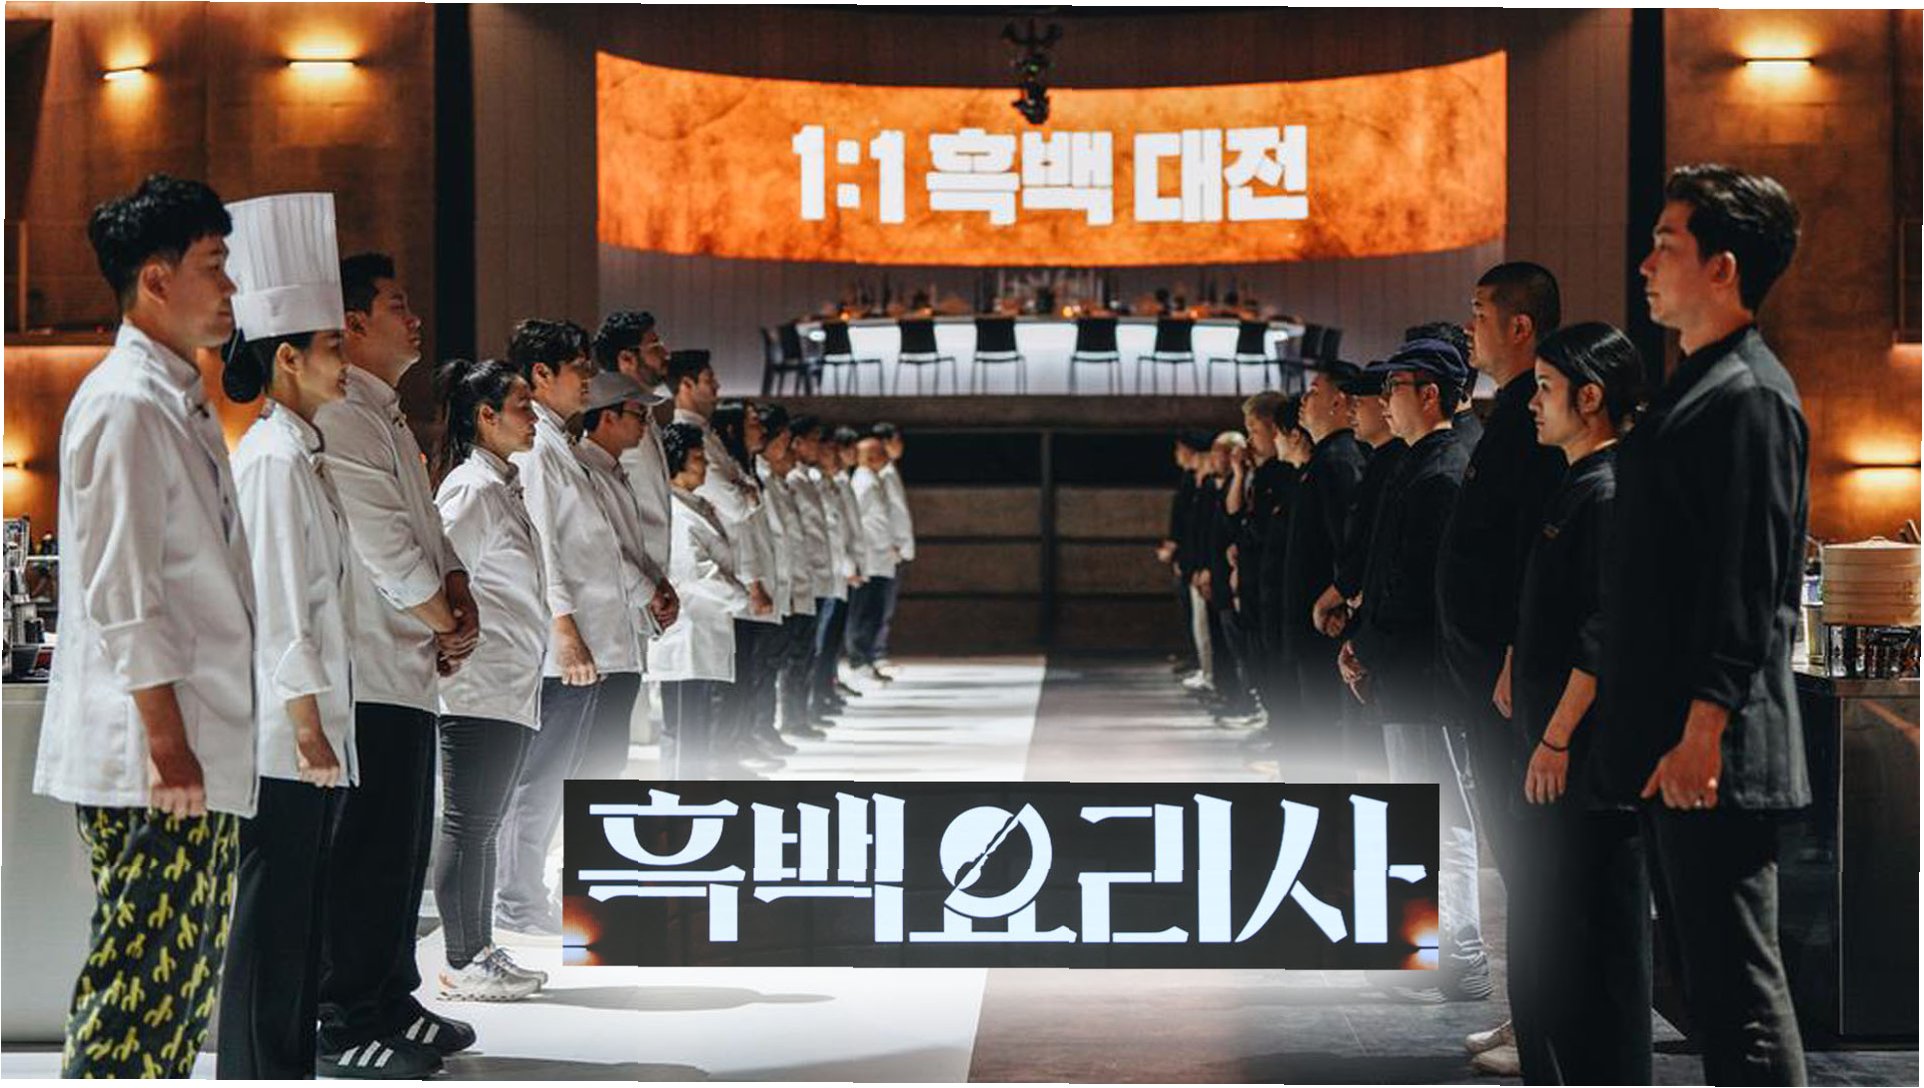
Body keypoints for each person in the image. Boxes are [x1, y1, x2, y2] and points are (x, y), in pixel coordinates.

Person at [1592, 163, 1808, 1085]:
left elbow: (1749, 583)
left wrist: (1704, 729)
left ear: (1723, 268)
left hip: (1715, 748)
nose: (1646, 265)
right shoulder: (1703, 384)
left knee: (1740, 999)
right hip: (1678, 738)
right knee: (1709, 990)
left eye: (1665, 245)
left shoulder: (1749, 394)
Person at [35, 174, 254, 1079]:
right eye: (215, 265)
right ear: (157, 279)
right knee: (139, 996)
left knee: (179, 995)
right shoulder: (125, 401)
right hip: (155, 754)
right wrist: (167, 744)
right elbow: (121, 590)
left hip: (191, 741)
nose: (230, 287)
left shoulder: (175, 396)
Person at [316, 252, 479, 1074]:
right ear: (353, 323)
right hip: (366, 669)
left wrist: (458, 590)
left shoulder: (386, 413)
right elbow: (384, 546)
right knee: (367, 856)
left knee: (399, 853)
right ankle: (343, 1018)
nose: (413, 318)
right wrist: (445, 618)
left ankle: (389, 995)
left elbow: (429, 530)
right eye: (396, 303)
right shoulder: (343, 414)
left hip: (408, 665)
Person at [216, 192, 363, 1078]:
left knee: (301, 919)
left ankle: (284, 1069)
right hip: (283, 734)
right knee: (273, 922)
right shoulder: (271, 461)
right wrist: (308, 724)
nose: (346, 361)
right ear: (288, 358)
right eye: (334, 346)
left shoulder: (302, 452)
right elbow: (279, 606)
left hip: (315, 726)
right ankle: (255, 1071)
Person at [1493, 321, 1649, 1083]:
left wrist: (1555, 738)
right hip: (1551, 745)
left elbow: (1605, 632)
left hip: (1583, 760)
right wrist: (1515, 665)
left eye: (1546, 388)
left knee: (1588, 943)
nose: (1533, 403)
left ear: (1590, 398)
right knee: (1547, 937)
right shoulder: (1578, 481)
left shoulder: (1611, 490)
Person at [1434, 262, 1567, 1065]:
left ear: (1520, 325)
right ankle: (1529, 1017)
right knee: (1513, 861)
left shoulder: (1530, 420)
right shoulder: (1508, 414)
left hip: (1510, 682)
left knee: (1526, 861)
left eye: (1480, 311)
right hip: (1486, 678)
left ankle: (1542, 1028)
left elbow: (1531, 554)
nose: (1470, 325)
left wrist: (1514, 650)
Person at [1335, 338, 1483, 1003]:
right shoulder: (1416, 463)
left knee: (1441, 816)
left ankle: (1462, 955)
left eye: (1394, 387)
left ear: (1430, 395)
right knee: (1424, 814)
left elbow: (1419, 588)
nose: (1384, 400)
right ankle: (1441, 947)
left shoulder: (1442, 471)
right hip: (1405, 671)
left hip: (1426, 677)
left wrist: (1366, 646)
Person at [498, 319, 643, 938]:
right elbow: (545, 549)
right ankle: (516, 897)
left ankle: (533, 890)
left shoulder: (559, 444)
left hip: (592, 639)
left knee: (564, 774)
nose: (589, 377)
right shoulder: (537, 449)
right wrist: (564, 628)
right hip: (566, 644)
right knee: (540, 775)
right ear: (541, 374)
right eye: (579, 367)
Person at [430, 358, 549, 1003]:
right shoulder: (472, 489)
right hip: (478, 682)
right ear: (486, 416)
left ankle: (478, 949)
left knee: (483, 822)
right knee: (469, 823)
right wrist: (449, 645)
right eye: (523, 406)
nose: (533, 418)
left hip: (507, 681)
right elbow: (443, 576)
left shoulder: (502, 485)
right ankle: (463, 958)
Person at [575, 369, 680, 779]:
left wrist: (658, 583)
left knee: (609, 745)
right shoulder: (584, 470)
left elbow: (632, 545)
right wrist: (649, 591)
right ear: (608, 417)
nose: (645, 424)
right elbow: (603, 550)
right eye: (638, 415)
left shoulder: (613, 470)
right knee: (593, 750)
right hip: (597, 630)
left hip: (622, 629)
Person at [1272, 359, 1367, 773]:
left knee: (1324, 735)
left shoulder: (1338, 460)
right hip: (1310, 623)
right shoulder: (1324, 458)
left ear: (1338, 401)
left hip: (1324, 626)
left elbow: (1347, 545)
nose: (1304, 401)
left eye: (1313, 392)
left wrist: (1334, 599)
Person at [650, 422, 752, 779]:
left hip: (704, 631)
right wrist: (740, 596)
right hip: (686, 635)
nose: (705, 466)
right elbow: (695, 572)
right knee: (683, 728)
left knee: (696, 725)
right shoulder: (676, 513)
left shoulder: (695, 506)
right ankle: (676, 798)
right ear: (677, 462)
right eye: (697, 459)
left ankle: (691, 791)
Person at [775, 414, 837, 736]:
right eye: (812, 440)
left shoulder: (805, 479)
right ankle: (793, 715)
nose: (818, 448)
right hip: (802, 578)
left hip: (815, 576)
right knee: (796, 652)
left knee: (809, 649)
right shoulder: (793, 481)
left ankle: (802, 712)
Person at [847, 435, 901, 679]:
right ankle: (860, 660)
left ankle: (867, 659)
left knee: (875, 612)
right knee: (864, 613)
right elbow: (855, 522)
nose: (885, 457)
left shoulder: (873, 481)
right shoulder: (863, 483)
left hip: (879, 558)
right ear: (869, 457)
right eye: (880, 453)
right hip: (869, 559)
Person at [870, 422, 916, 675]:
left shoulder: (889, 471)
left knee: (885, 605)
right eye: (896, 440)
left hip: (894, 550)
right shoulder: (878, 475)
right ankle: (874, 654)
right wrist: (891, 545)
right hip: (885, 551)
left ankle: (878, 652)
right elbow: (877, 517)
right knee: (878, 606)